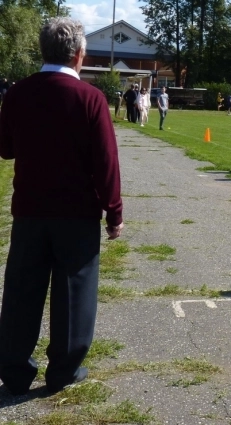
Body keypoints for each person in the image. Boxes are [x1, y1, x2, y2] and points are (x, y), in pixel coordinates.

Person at [0, 17, 123, 396]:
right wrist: (113, 210)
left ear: (42, 50)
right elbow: (106, 162)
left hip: (31, 211)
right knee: (74, 294)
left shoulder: (18, 93)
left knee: (21, 292)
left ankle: (16, 371)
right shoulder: (89, 98)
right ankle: (63, 370)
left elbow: (5, 148)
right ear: (80, 54)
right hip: (76, 214)